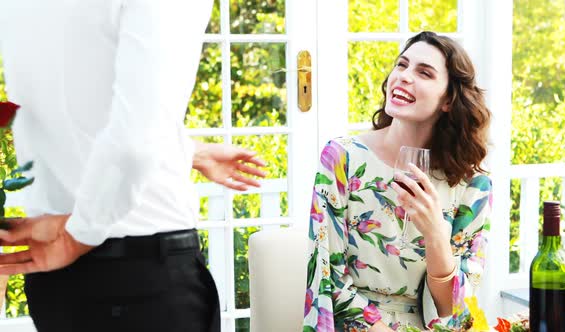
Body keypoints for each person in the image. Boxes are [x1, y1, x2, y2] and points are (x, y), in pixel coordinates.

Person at [0, 1, 265, 331]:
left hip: (56, 285)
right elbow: (135, 143)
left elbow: (76, 113)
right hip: (138, 281)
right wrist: (77, 235)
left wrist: (187, 152)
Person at [303, 31, 492, 331]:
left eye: (424, 73)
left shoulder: (472, 187)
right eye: (401, 65)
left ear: (448, 100)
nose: (404, 76)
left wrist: (434, 233)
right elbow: (328, 278)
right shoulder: (342, 159)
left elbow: (456, 310)